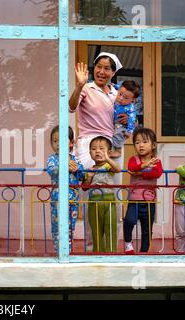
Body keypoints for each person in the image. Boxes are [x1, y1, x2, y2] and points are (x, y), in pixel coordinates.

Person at [69, 52, 127, 247]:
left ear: (113, 72)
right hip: (89, 145)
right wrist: (78, 85)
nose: (102, 71)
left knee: (114, 194)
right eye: (99, 67)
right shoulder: (86, 87)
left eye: (107, 68)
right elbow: (71, 106)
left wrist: (126, 120)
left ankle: (111, 245)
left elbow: (127, 115)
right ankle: (91, 245)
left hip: (112, 145)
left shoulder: (117, 93)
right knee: (92, 193)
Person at [123, 128, 163, 254]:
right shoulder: (133, 159)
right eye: (137, 142)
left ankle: (143, 252)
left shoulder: (156, 161)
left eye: (145, 142)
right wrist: (144, 166)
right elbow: (131, 167)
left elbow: (157, 173)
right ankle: (128, 244)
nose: (141, 145)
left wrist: (139, 173)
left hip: (149, 201)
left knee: (147, 228)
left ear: (153, 145)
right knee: (129, 221)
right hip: (134, 200)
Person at [46, 125, 85, 253]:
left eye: (62, 140)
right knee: (57, 226)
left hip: (73, 199)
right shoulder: (53, 159)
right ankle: (58, 252)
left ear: (71, 143)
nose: (58, 144)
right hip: (58, 199)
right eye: (55, 141)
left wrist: (77, 169)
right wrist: (64, 165)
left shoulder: (74, 159)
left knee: (70, 227)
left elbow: (82, 175)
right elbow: (52, 170)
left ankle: (67, 252)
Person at [83, 136, 121, 253]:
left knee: (110, 228)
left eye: (101, 149)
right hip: (94, 202)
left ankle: (111, 252)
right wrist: (88, 177)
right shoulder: (90, 169)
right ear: (90, 153)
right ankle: (98, 253)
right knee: (96, 230)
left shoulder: (108, 166)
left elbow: (117, 169)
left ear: (109, 152)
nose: (97, 151)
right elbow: (84, 188)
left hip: (109, 201)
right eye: (94, 149)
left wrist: (108, 159)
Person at [110, 80, 141, 158]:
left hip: (121, 125)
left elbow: (132, 121)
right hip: (114, 123)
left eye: (125, 98)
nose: (120, 98)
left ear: (132, 100)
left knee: (118, 135)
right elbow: (119, 88)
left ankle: (118, 151)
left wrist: (129, 132)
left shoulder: (130, 108)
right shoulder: (120, 93)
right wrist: (114, 85)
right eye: (120, 94)